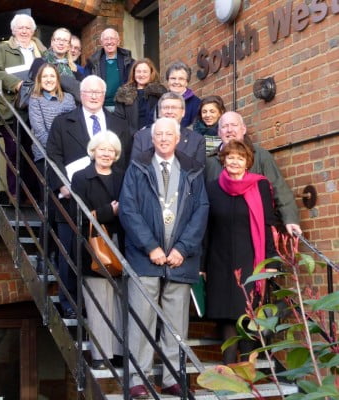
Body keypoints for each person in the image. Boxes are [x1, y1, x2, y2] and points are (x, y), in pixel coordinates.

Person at [119, 117, 209, 398]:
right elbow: (128, 210)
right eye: (159, 134)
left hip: (181, 259)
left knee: (175, 323)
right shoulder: (137, 167)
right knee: (142, 319)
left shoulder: (193, 169)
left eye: (169, 134)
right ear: (152, 138)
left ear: (179, 137)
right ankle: (138, 378)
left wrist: (183, 248)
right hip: (146, 257)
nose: (164, 138)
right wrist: (150, 247)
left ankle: (173, 377)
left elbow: (201, 210)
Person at [46, 75, 130, 319]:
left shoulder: (120, 124)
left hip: (109, 200)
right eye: (89, 92)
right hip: (72, 198)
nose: (93, 96)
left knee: (108, 252)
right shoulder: (63, 123)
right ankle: (71, 303)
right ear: (80, 95)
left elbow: (124, 160)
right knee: (71, 253)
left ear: (105, 96)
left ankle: (109, 311)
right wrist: (62, 186)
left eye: (98, 92)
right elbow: (53, 156)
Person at [203, 140, 279, 364]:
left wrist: (272, 261)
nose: (234, 161)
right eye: (230, 157)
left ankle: (248, 370)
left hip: (250, 259)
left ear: (248, 162)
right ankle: (229, 368)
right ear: (223, 160)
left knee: (248, 314)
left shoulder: (260, 186)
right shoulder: (212, 187)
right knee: (227, 315)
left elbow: (268, 223)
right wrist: (201, 266)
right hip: (219, 260)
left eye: (240, 157)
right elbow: (206, 227)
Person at [70, 131, 124, 370]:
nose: (106, 154)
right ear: (93, 151)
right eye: (102, 149)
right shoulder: (81, 177)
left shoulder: (123, 177)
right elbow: (76, 214)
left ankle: (121, 352)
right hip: (94, 244)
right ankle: (102, 355)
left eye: (111, 150)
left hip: (121, 242)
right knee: (99, 301)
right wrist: (106, 213)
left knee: (121, 301)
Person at [205, 111, 302, 236]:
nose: (229, 130)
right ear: (219, 133)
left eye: (234, 125)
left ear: (243, 129)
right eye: (224, 126)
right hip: (218, 233)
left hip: (254, 230)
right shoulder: (208, 162)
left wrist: (290, 219)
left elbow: (279, 189)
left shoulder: (261, 156)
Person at [0, 13, 46, 199]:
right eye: (20, 27)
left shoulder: (42, 52)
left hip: (36, 109)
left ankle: (32, 196)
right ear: (13, 30)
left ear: (33, 31)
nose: (24, 31)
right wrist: (15, 83)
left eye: (28, 28)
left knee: (33, 152)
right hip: (11, 109)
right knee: (13, 152)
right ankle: (15, 194)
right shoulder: (4, 50)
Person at [28, 63, 75, 267]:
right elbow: (39, 130)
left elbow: (73, 127)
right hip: (45, 158)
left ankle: (60, 256)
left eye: (52, 76)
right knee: (49, 206)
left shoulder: (70, 100)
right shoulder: (35, 100)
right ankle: (44, 256)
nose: (48, 80)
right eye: (44, 77)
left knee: (63, 208)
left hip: (66, 160)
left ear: (58, 79)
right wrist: (56, 153)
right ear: (40, 80)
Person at [131, 92, 206, 166]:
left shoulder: (197, 140)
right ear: (159, 112)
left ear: (183, 112)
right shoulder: (141, 137)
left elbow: (198, 173)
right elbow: (134, 169)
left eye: (174, 108)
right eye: (166, 108)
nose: (169, 112)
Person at [85, 28, 135, 111]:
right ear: (101, 43)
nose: (109, 42)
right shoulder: (93, 63)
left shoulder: (129, 62)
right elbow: (86, 85)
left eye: (112, 38)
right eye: (106, 39)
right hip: (100, 108)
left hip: (124, 107)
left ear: (118, 41)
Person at [114, 58, 166, 135]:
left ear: (151, 73)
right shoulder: (124, 94)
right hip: (130, 138)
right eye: (138, 71)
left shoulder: (160, 94)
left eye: (145, 72)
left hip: (154, 136)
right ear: (134, 73)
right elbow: (119, 119)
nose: (141, 75)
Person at [29, 28, 83, 103]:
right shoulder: (39, 63)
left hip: (71, 108)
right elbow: (35, 89)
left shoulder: (74, 68)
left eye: (65, 40)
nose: (61, 43)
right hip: (46, 106)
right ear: (52, 42)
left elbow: (83, 91)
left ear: (68, 46)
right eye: (58, 39)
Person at [165, 61, 200, 128]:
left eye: (181, 79)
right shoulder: (160, 101)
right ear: (168, 81)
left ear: (187, 82)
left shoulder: (196, 104)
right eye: (173, 78)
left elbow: (196, 129)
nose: (176, 82)